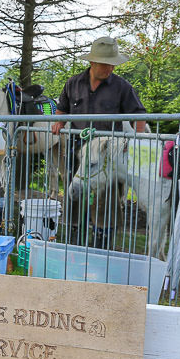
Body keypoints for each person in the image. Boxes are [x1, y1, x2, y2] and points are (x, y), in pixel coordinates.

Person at [50, 37, 146, 248]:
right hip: (77, 151)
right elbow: (62, 109)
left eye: (112, 64)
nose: (110, 68)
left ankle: (102, 246)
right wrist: (59, 121)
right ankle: (73, 242)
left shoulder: (122, 87)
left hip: (108, 156)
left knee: (108, 199)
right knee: (74, 195)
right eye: (105, 64)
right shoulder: (72, 83)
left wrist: (138, 143)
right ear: (92, 63)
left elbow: (139, 116)